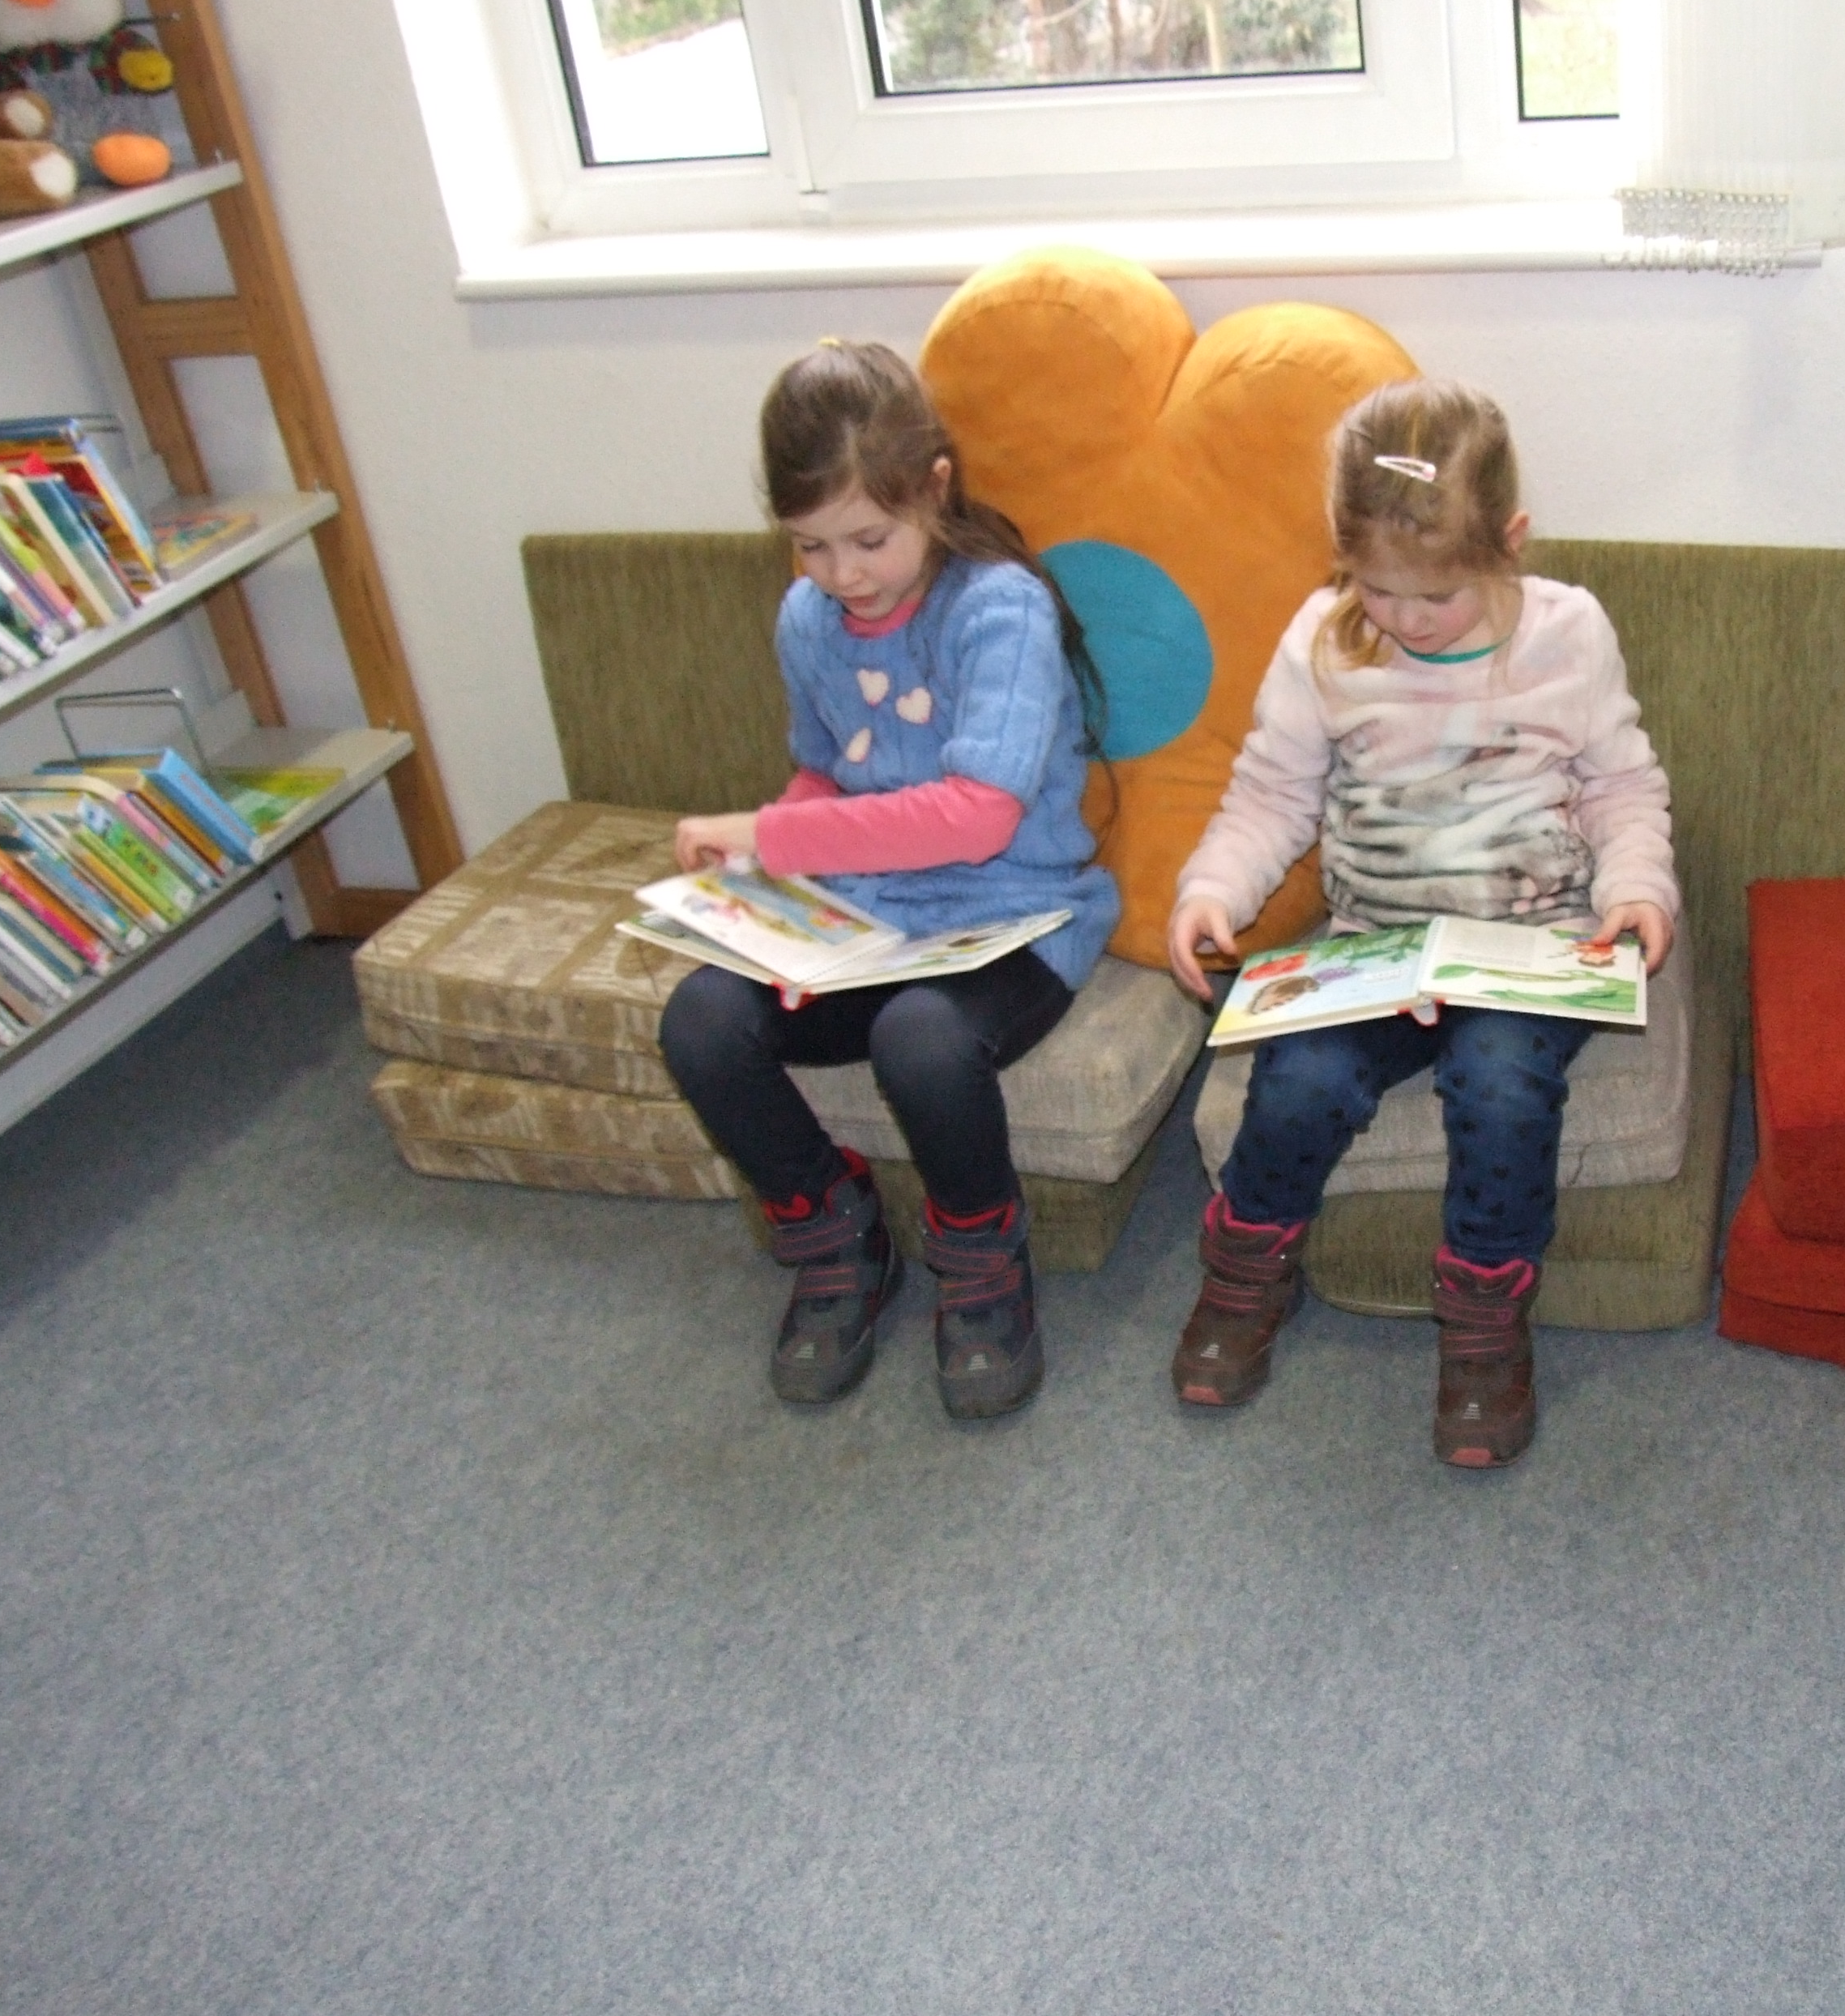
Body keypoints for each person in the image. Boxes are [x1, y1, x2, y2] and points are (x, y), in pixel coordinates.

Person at [1164, 378, 1678, 1467]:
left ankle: (1485, 1321)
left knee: (1500, 1086)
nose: (1403, 620)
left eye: (1436, 595)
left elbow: (1620, 786)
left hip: (1534, 946)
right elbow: (1271, 795)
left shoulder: (1569, 634)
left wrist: (1637, 887)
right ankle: (1246, 1272)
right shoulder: (1324, 642)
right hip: (1377, 946)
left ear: (1510, 543)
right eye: (1375, 588)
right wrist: (1213, 889)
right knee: (1296, 1079)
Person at [658, 339, 1117, 1420]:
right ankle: (834, 1233)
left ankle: (982, 1259)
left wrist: (769, 834)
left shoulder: (999, 609)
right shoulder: (807, 618)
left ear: (935, 488)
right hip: (871, 918)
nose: (844, 575)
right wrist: (762, 879)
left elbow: (977, 817)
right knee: (700, 1020)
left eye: (870, 538)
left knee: (922, 1039)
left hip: (1015, 918)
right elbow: (827, 770)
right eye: (810, 546)